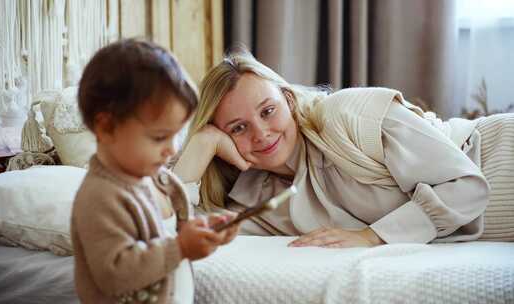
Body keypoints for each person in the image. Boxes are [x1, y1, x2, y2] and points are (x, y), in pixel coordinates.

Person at [173, 49, 514, 248]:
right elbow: (172, 227)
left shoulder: (347, 116)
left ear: (289, 99)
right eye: (238, 128)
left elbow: (466, 184)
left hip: (499, 155)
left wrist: (371, 236)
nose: (261, 133)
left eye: (267, 111)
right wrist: (202, 144)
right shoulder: (261, 199)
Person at [71, 39, 239, 304]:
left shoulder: (161, 181)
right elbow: (114, 272)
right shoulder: (100, 196)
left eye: (175, 136)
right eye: (160, 137)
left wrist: (202, 229)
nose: (171, 150)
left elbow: (169, 235)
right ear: (106, 127)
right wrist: (181, 247)